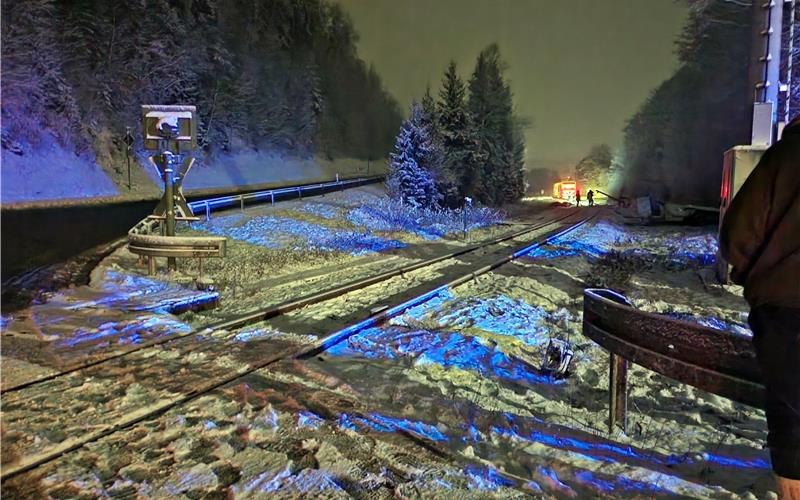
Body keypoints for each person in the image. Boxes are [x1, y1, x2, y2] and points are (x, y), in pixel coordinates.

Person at [719, 115, 800, 499]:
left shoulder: (784, 157)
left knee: (789, 406)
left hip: (783, 306)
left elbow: (736, 236)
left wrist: (759, 271)